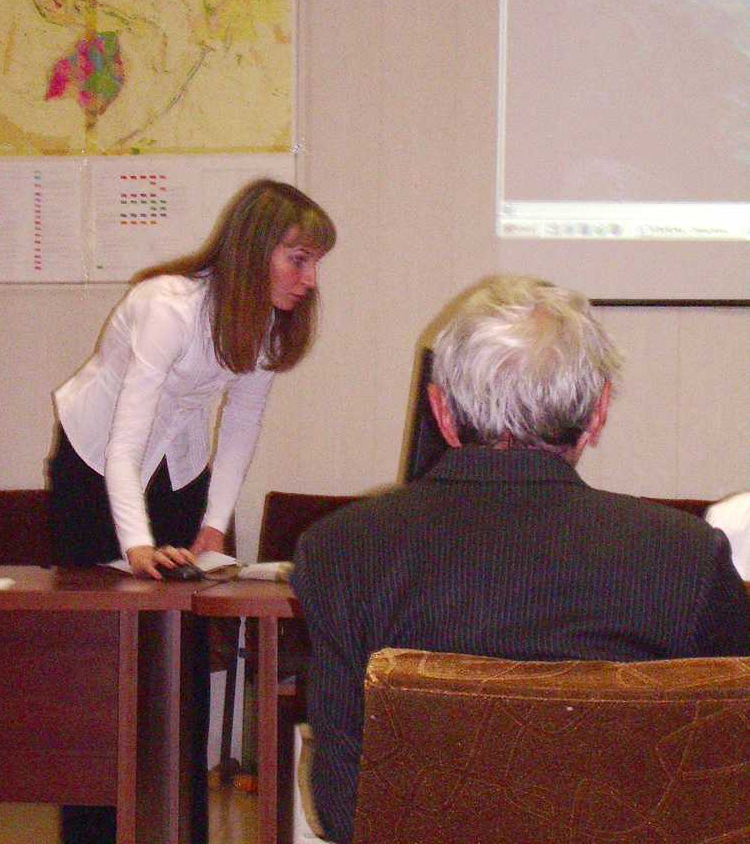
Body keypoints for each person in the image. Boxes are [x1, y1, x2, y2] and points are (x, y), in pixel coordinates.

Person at [292, 275, 750, 844]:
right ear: (599, 412)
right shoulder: (686, 558)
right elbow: (729, 786)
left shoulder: (339, 552)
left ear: (441, 411)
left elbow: (345, 807)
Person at [49, 177, 336, 578]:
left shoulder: (269, 326)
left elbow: (242, 422)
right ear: (254, 251)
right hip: (94, 457)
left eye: (315, 263)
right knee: (95, 598)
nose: (311, 280)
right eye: (299, 260)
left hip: (178, 458)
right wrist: (137, 547)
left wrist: (215, 525)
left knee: (185, 594)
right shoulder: (167, 308)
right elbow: (125, 442)